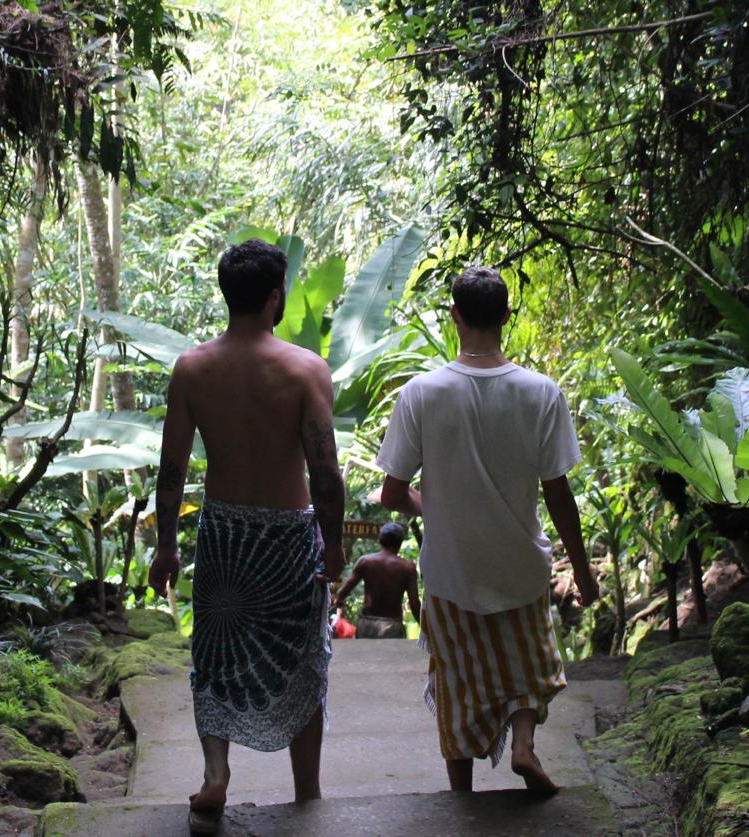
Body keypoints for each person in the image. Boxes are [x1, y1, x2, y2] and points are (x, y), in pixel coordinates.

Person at [375, 265, 599, 796]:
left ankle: (462, 798)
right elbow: (558, 494)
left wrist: (433, 506)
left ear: (454, 317)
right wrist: (584, 572)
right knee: (528, 667)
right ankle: (523, 745)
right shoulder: (541, 392)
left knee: (457, 684)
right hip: (521, 567)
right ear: (505, 317)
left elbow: (391, 494)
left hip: (452, 573)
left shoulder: (421, 393)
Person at [148, 239, 345, 833]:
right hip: (287, 537)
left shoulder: (193, 369)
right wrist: (333, 544)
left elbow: (172, 468)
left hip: (225, 537)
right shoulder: (304, 369)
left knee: (214, 654)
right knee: (302, 657)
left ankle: (215, 774)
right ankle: (306, 789)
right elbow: (325, 470)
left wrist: (165, 545)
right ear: (275, 297)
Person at [332, 522, 421, 638]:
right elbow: (414, 604)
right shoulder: (407, 567)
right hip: (392, 626)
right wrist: (427, 630)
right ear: (400, 543)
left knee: (365, 656)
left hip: (366, 624)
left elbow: (342, 593)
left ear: (380, 540)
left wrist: (339, 602)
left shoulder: (365, 561)